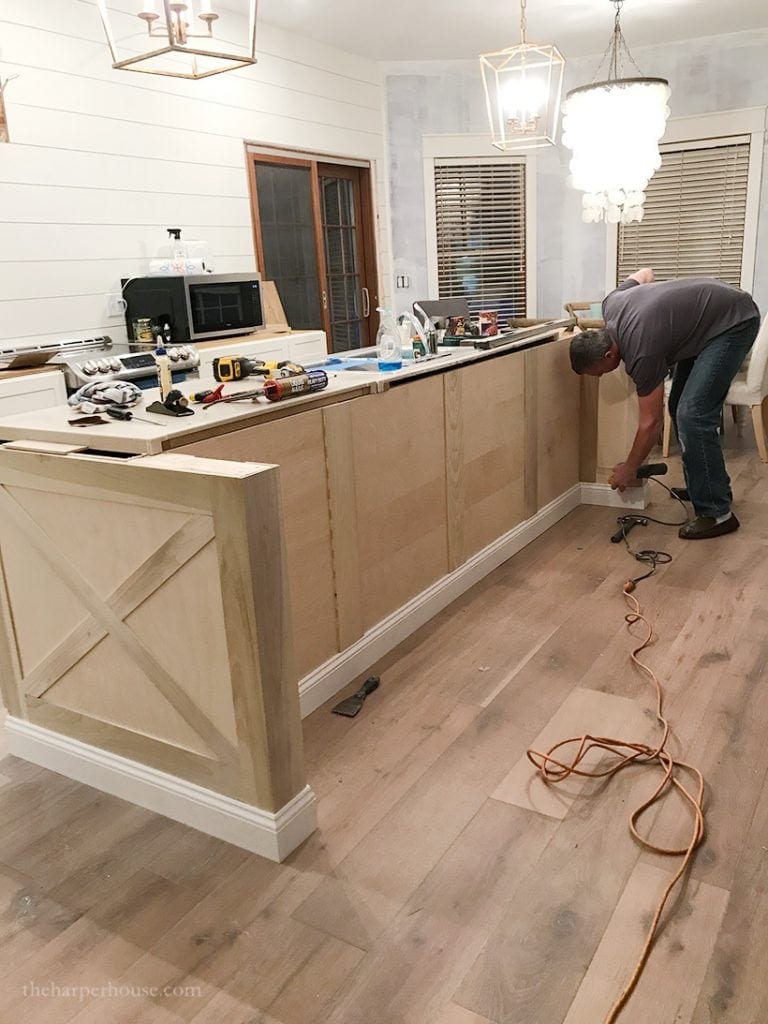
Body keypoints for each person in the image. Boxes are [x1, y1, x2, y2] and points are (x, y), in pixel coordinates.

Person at [569, 269, 761, 539]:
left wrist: (629, 468)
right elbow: (645, 274)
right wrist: (665, 313)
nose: (602, 376)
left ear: (609, 353)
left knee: (692, 415)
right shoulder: (611, 303)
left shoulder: (641, 353)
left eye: (600, 371)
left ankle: (718, 513)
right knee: (679, 408)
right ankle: (707, 486)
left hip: (733, 323)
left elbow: (650, 423)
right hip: (713, 317)